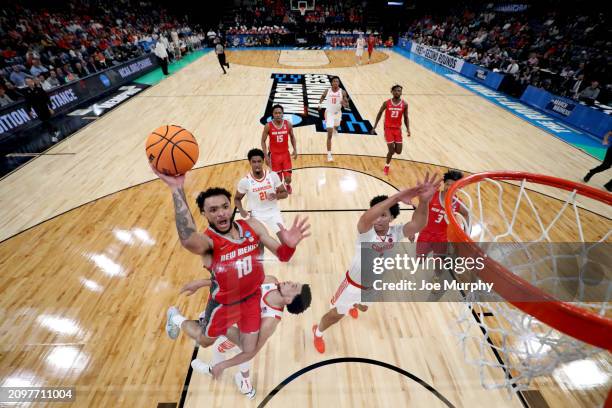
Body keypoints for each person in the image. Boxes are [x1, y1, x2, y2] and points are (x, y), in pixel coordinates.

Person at [157, 169, 310, 373]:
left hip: (252, 299)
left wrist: (289, 245)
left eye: (224, 207)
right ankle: (175, 317)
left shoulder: (253, 226)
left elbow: (283, 255)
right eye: (213, 210)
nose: (221, 213)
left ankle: (226, 348)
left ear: (231, 207)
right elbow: (187, 238)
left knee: (248, 347)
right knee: (204, 341)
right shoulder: (208, 242)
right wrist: (177, 189)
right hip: (224, 305)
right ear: (204, 214)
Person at [312, 173, 442, 353]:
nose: (378, 219)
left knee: (364, 307)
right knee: (336, 315)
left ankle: (356, 305)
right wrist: (396, 197)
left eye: (383, 215)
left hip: (373, 287)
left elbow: (418, 224)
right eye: (376, 214)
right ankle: (317, 332)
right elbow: (366, 218)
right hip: (352, 285)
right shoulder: (365, 231)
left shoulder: (396, 233)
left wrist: (424, 202)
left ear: (391, 218)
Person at [189, 275, 312, 398]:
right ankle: (246, 385)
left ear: (289, 300)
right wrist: (202, 283)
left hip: (238, 333)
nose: (290, 281)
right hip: (235, 321)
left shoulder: (270, 321)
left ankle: (213, 370)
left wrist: (223, 365)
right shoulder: (271, 281)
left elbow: (250, 352)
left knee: (222, 348)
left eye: (294, 286)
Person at [413, 170, 470, 284]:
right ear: (444, 183)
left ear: (459, 187)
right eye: (448, 183)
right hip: (426, 234)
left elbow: (466, 214)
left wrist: (465, 232)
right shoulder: (432, 195)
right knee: (419, 259)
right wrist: (412, 228)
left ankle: (437, 277)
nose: (450, 187)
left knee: (439, 264)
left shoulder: (459, 203)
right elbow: (419, 211)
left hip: (442, 239)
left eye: (454, 185)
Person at [235, 148, 288, 237]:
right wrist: (241, 210)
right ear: (250, 162)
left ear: (263, 161)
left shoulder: (272, 176)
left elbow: (285, 193)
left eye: (259, 161)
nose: (257, 165)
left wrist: (276, 195)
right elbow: (237, 199)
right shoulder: (245, 181)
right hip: (257, 215)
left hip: (273, 212)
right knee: (258, 245)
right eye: (254, 162)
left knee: (286, 241)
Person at [370, 85, 410, 175]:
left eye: (399, 91)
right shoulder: (386, 103)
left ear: (401, 92)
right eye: (395, 91)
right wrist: (374, 126)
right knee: (391, 151)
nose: (397, 92)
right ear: (392, 92)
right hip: (388, 129)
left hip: (398, 130)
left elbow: (406, 117)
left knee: (398, 152)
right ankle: (387, 166)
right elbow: (379, 113)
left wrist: (408, 129)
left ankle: (391, 150)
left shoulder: (405, 104)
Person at [261, 104, 298, 193]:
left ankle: (287, 185)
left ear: (282, 114)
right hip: (274, 156)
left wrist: (295, 149)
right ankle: (278, 187)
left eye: (279, 113)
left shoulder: (288, 124)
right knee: (278, 179)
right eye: (275, 113)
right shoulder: (268, 126)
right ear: (272, 114)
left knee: (288, 178)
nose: (277, 115)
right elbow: (263, 141)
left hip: (285, 154)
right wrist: (265, 156)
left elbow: (292, 137)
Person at [318, 76, 349, 162]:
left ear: (339, 83)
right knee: (329, 135)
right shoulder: (327, 91)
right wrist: (320, 104)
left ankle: (335, 129)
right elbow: (322, 97)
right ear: (332, 83)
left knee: (336, 127)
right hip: (329, 114)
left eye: (337, 82)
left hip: (338, 114)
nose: (336, 83)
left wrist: (344, 104)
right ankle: (329, 155)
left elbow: (347, 105)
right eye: (334, 81)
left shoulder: (342, 92)